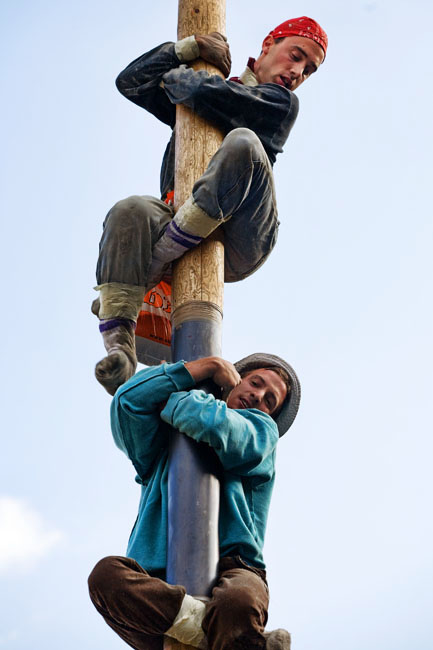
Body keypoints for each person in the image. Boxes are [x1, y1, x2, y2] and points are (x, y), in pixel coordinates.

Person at [93, 16, 327, 396]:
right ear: (269, 44)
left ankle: (155, 262)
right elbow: (132, 81)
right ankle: (119, 347)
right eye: (296, 56)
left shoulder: (280, 104)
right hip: (181, 214)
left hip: (244, 233)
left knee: (245, 145)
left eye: (309, 69)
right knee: (130, 210)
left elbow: (196, 91)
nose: (298, 72)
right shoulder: (218, 90)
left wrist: (184, 80)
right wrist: (189, 49)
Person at [88, 352, 301, 649]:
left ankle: (212, 628)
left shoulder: (261, 434)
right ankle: (222, 636)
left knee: (237, 601)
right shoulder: (161, 447)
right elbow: (127, 401)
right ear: (233, 381)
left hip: (234, 567)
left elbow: (220, 428)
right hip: (155, 587)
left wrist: (170, 402)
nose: (258, 397)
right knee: (107, 578)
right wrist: (204, 367)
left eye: (269, 401)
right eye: (255, 383)